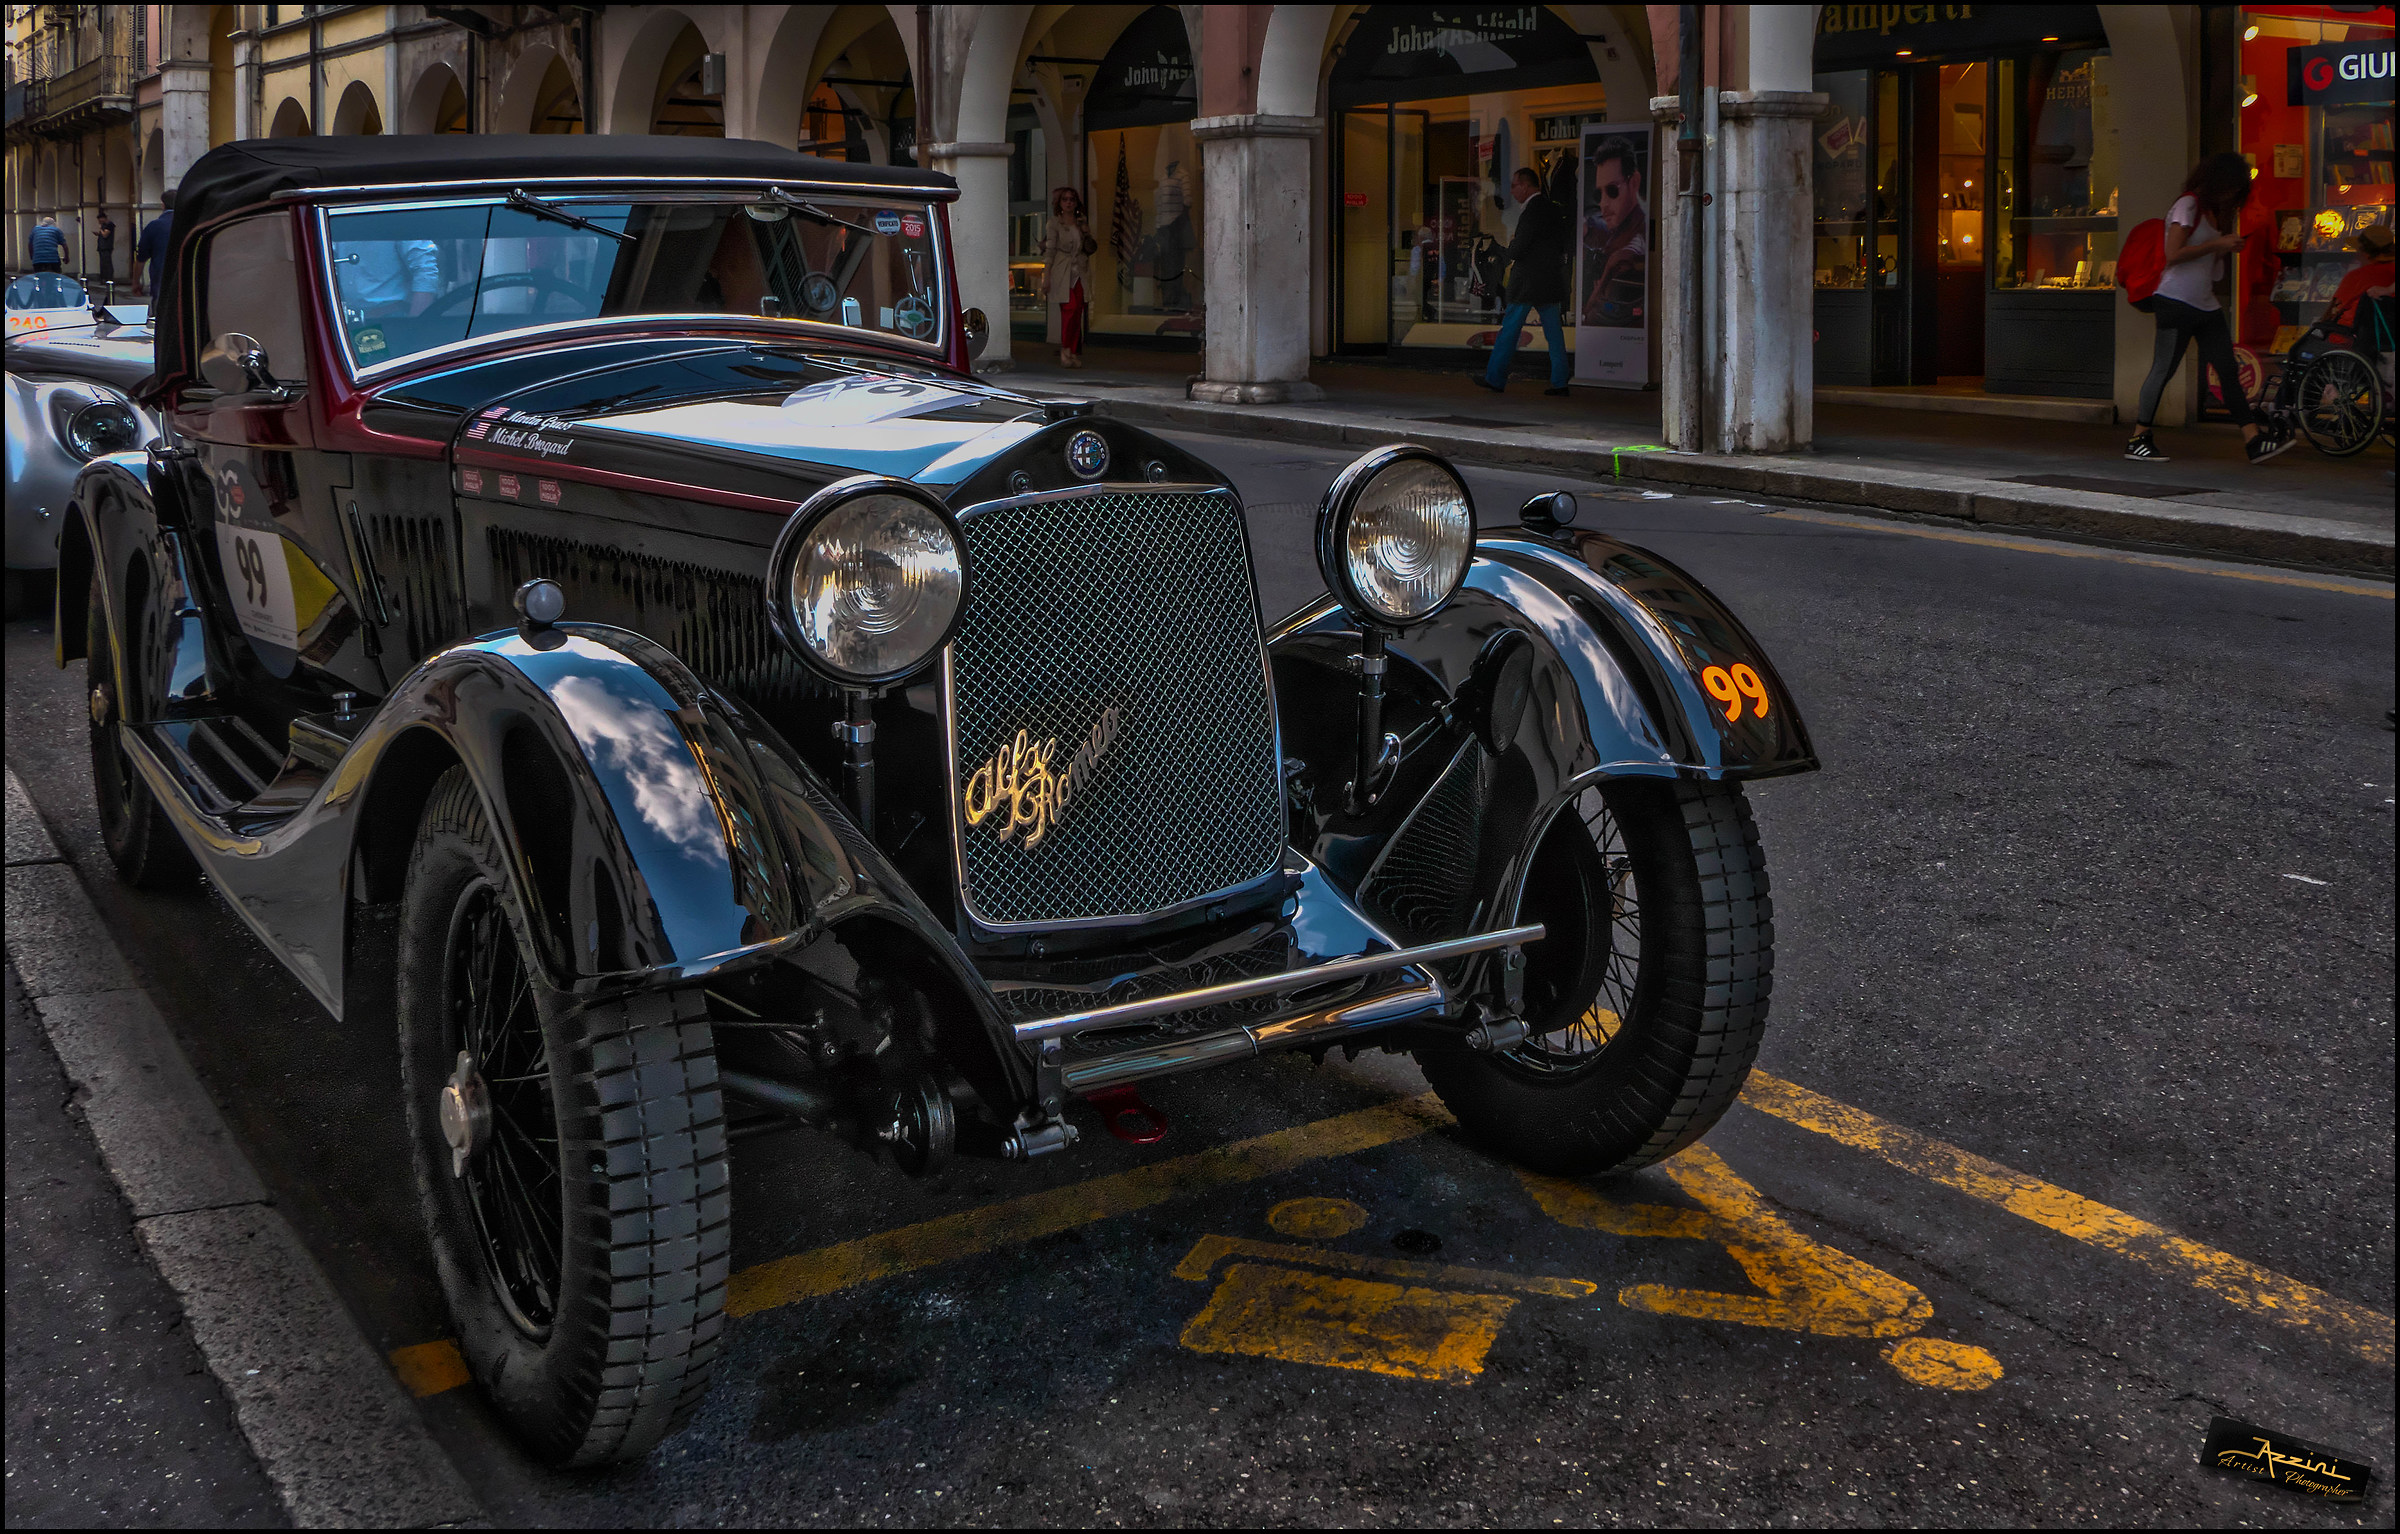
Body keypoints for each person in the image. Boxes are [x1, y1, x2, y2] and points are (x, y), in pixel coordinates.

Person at [2126, 153, 2291, 465]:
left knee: (2228, 371)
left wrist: (2224, 250)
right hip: (2175, 300)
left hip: (2205, 303)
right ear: (2219, 183)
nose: (2233, 195)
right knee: (2164, 368)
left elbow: (2206, 266)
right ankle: (2138, 437)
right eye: (2232, 188)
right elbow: (2172, 254)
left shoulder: (2215, 213)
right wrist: (2217, 246)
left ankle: (2253, 440)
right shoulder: (2188, 205)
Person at [1476, 166, 1571, 397]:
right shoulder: (1552, 209)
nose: (1512, 191)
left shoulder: (1532, 211)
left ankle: (1495, 377)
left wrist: (1508, 252)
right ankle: (1560, 381)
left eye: (1514, 186)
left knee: (1510, 329)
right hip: (1549, 281)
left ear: (1526, 186)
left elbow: (1521, 246)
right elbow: (1561, 243)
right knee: (1554, 333)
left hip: (1527, 282)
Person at [1582, 135, 1648, 327]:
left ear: (1633, 182)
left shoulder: (1640, 234)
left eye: (1612, 190)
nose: (1603, 204)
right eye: (1598, 194)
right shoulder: (1622, 227)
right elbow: (1609, 241)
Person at [1040, 186, 1094, 368]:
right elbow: (1050, 250)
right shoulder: (1054, 223)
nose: (1069, 203)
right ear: (1060, 203)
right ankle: (1065, 349)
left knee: (1078, 311)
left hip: (1079, 271)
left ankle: (1071, 350)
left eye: (1072, 199)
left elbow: (1088, 247)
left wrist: (1086, 231)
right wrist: (1046, 276)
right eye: (1065, 199)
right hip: (1062, 271)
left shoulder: (1080, 222)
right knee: (1069, 311)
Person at [135, 190, 174, 297]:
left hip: (160, 282)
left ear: (163, 205)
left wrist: (136, 282)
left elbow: (141, 258)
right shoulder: (191, 226)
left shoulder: (154, 226)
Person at [93, 210, 116, 285]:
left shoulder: (109, 225)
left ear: (103, 218)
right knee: (103, 264)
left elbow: (105, 235)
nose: (99, 221)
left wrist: (100, 229)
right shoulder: (104, 225)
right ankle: (104, 278)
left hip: (106, 247)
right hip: (102, 247)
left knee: (107, 264)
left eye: (100, 219)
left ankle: (109, 278)